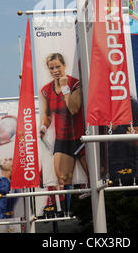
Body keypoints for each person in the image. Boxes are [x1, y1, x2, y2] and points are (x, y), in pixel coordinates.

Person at [39, 52, 88, 190]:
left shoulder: (75, 84)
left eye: (58, 67)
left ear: (64, 66)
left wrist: (65, 86)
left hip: (81, 138)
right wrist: (43, 127)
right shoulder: (46, 90)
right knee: (63, 181)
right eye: (52, 68)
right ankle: (68, 211)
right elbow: (47, 115)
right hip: (62, 140)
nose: (55, 71)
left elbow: (73, 109)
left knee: (95, 178)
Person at [108, 97, 138, 186]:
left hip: (129, 161)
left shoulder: (131, 103)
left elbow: (137, 141)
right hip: (108, 162)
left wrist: (118, 129)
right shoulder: (102, 102)